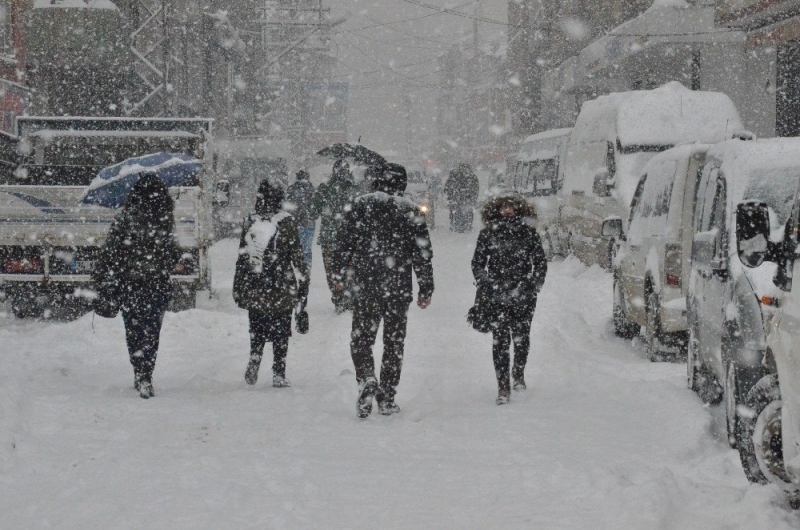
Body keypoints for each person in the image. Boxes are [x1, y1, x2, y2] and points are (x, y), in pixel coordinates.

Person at [334, 163, 434, 418]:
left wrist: (339, 274)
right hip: (398, 287)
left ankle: (367, 377)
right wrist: (425, 288)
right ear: (402, 184)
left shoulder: (361, 205)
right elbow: (422, 253)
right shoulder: (411, 211)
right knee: (394, 342)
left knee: (361, 339)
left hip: (366, 283)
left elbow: (345, 242)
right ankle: (388, 396)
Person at [92, 174, 187, 399]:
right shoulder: (165, 218)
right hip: (157, 285)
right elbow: (173, 250)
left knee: (133, 331)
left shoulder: (125, 217)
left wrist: (102, 278)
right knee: (152, 332)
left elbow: (110, 252)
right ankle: (147, 374)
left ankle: (138, 371)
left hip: (130, 286)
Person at [471, 194, 547, 405]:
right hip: (497, 296)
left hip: (523, 295)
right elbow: (477, 264)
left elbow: (540, 264)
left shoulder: (529, 234)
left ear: (519, 210)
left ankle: (519, 372)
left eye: (512, 207)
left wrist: (532, 286)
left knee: (522, 337)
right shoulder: (488, 234)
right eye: (504, 207)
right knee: (500, 340)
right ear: (497, 210)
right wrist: (488, 284)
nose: (507, 211)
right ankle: (502, 385)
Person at [233, 179, 309, 388]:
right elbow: (297, 257)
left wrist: (238, 285)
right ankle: (278, 372)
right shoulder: (287, 222)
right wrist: (303, 284)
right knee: (281, 329)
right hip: (281, 284)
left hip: (256, 283)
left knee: (256, 324)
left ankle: (255, 356)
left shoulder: (250, 221)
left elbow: (242, 256)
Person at [314, 159, 357, 313]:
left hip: (329, 237)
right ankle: (348, 295)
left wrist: (319, 196)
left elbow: (314, 212)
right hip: (350, 237)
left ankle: (338, 295)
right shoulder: (354, 190)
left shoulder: (325, 189)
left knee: (331, 269)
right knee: (350, 267)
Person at [285, 169, 318, 271]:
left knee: (296, 248)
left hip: (296, 223)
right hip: (309, 223)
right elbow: (316, 209)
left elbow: (288, 207)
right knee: (307, 249)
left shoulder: (292, 189)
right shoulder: (312, 190)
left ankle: (298, 269)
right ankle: (306, 270)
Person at [444, 163, 480, 232]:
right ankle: (466, 226)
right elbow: (476, 189)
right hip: (466, 199)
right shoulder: (472, 176)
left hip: (457, 198)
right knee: (467, 212)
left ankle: (457, 225)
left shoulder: (454, 176)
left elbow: (447, 187)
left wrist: (449, 197)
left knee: (457, 212)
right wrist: (473, 198)